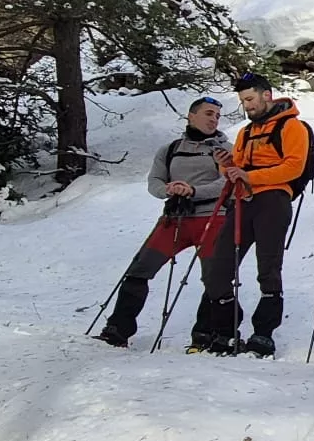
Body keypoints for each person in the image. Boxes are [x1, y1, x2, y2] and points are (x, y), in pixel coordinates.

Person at [96, 97, 232, 346]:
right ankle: (118, 330)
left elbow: (227, 183)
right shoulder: (169, 149)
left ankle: (206, 334)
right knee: (140, 269)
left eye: (217, 116)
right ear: (191, 116)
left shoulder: (224, 150)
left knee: (214, 278)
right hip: (175, 218)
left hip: (212, 218)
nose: (214, 119)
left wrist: (191, 190)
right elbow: (154, 182)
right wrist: (170, 189)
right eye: (208, 113)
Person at [193, 72, 310, 357]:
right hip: (243, 200)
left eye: (250, 99)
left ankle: (263, 334)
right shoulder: (245, 133)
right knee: (218, 267)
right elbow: (238, 169)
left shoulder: (293, 127)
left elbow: (295, 167)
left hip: (274, 199)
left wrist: (249, 176)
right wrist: (226, 166)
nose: (247, 106)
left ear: (266, 95)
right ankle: (225, 329)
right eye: (243, 101)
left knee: (268, 267)